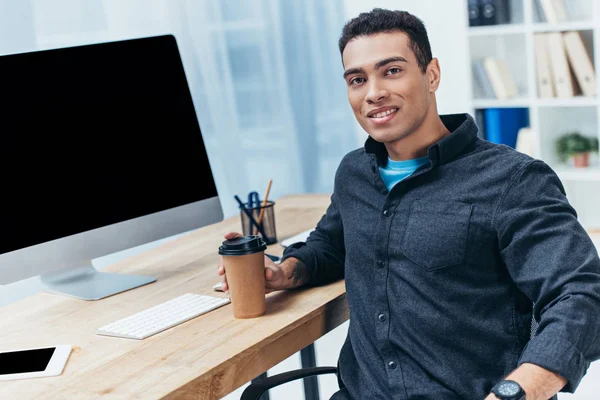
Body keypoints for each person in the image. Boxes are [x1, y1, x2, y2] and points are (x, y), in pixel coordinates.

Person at [218, 8, 600, 400]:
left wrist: (514, 392)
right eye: (357, 79)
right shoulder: (354, 173)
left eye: (392, 71)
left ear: (431, 74)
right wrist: (285, 272)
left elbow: (583, 295)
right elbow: (332, 243)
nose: (373, 92)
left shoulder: (513, 180)